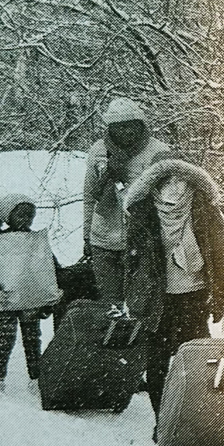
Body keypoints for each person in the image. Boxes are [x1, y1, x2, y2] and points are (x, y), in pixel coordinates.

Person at [123, 151, 224, 435]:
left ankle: (196, 417)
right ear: (155, 183)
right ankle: (163, 421)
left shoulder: (203, 209)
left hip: (195, 295)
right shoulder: (143, 212)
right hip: (156, 299)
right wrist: (131, 296)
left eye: (181, 180)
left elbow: (221, 252)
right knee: (157, 360)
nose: (175, 187)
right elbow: (131, 260)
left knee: (200, 358)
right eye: (168, 181)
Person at [83, 97, 170, 300]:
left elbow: (168, 200)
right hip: (103, 240)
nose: (127, 132)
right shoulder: (98, 151)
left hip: (141, 241)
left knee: (140, 304)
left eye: (132, 125)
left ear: (141, 124)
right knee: (111, 304)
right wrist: (87, 235)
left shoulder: (158, 152)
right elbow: (89, 196)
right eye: (120, 127)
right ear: (111, 128)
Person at [0, 192, 62, 393]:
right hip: (7, 298)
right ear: (8, 215)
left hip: (31, 299)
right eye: (21, 215)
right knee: (7, 337)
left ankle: (35, 378)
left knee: (32, 339)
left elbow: (51, 269)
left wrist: (53, 292)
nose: (26, 220)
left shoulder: (37, 242)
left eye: (30, 216)